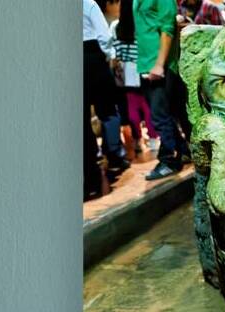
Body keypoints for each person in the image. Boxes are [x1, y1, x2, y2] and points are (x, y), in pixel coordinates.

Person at [134, 0, 190, 180]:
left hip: (160, 65)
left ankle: (169, 161)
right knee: (164, 113)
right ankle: (182, 150)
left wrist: (159, 64)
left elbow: (168, 28)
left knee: (160, 116)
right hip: (146, 62)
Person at [84, 0, 130, 199]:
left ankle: (91, 173)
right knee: (108, 111)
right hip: (93, 57)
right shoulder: (88, 3)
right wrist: (109, 55)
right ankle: (115, 157)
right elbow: (104, 35)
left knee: (80, 121)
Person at [113, 0, 160, 158]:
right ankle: (153, 140)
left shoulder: (117, 27)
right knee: (147, 106)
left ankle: (138, 140)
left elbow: (116, 53)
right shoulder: (142, 25)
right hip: (142, 68)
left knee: (132, 107)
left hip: (127, 73)